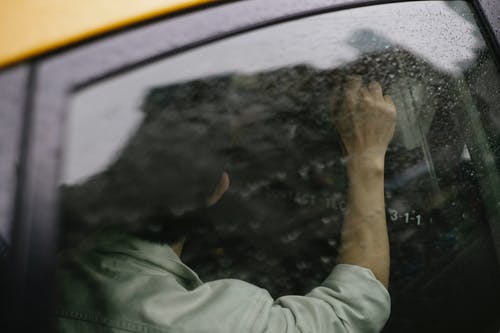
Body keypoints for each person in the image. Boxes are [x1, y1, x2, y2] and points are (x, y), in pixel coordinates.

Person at [55, 76, 396, 333]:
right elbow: (351, 311)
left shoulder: (34, 256)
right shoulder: (198, 322)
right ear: (220, 187)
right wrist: (366, 155)